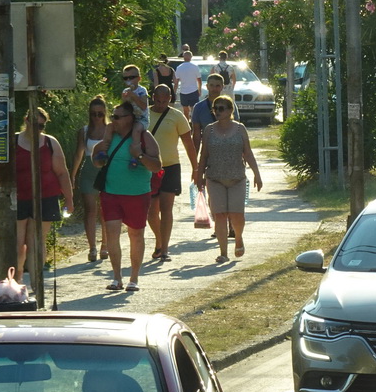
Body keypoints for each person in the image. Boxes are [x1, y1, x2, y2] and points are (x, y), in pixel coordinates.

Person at [92, 102, 162, 292]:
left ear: (130, 118)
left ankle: (134, 278)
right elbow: (96, 158)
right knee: (112, 234)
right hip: (110, 193)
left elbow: (157, 165)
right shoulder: (109, 136)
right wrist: (99, 157)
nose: (113, 120)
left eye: (117, 117)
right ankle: (116, 278)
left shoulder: (144, 138)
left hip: (137, 194)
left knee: (136, 235)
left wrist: (139, 156)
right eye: (112, 116)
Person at [195, 95, 263, 263]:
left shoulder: (240, 129)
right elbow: (204, 155)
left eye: (221, 108)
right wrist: (199, 175)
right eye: (215, 108)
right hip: (214, 178)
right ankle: (223, 252)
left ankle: (238, 238)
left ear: (230, 110)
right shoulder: (209, 130)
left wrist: (257, 174)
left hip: (237, 178)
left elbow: (247, 153)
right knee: (220, 215)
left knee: (236, 215)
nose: (217, 111)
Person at [15, 107, 73, 284]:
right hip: (18, 198)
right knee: (18, 246)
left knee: (36, 242)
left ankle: (36, 285)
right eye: (35, 124)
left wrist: (69, 200)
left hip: (45, 197)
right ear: (26, 121)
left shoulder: (50, 143)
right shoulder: (13, 141)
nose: (38, 129)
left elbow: (62, 173)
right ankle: (16, 284)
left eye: (42, 126)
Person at [146, 84, 199, 262]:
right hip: (149, 167)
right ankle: (159, 241)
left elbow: (188, 143)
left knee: (166, 208)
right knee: (151, 211)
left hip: (170, 166)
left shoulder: (177, 116)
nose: (161, 104)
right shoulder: (143, 115)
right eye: (158, 100)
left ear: (170, 99)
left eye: (165, 100)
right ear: (153, 97)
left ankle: (165, 248)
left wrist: (195, 167)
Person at [70, 96, 110, 263]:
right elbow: (79, 153)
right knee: (90, 210)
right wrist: (72, 175)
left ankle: (105, 245)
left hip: (107, 170)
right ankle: (92, 247)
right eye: (93, 114)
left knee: (106, 210)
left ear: (105, 113)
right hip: (88, 170)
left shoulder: (111, 129)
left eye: (100, 114)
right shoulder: (85, 131)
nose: (97, 117)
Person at [99, 64, 149, 165]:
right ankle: (104, 151)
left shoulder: (142, 90)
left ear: (139, 78)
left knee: (136, 131)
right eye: (126, 78)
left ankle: (134, 155)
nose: (129, 80)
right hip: (129, 118)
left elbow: (144, 106)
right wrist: (125, 99)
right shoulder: (125, 91)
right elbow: (124, 108)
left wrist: (134, 96)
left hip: (141, 119)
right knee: (109, 126)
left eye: (132, 77)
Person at [191, 72, 236, 156]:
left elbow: (237, 129)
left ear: (222, 87)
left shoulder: (230, 104)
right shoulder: (198, 107)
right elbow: (196, 134)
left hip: (229, 150)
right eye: (211, 85)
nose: (214, 88)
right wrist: (194, 159)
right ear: (207, 86)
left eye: (217, 86)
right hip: (208, 152)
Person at [174, 50, 203, 119]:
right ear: (191, 57)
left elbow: (176, 82)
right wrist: (199, 90)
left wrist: (174, 92)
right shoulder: (195, 67)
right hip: (193, 91)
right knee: (194, 110)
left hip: (183, 92)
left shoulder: (179, 67)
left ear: (183, 57)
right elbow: (199, 80)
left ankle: (187, 126)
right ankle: (194, 124)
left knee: (185, 110)